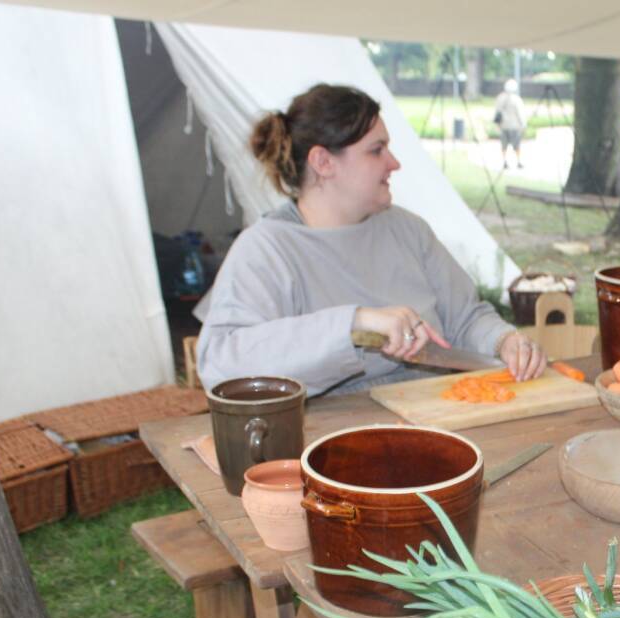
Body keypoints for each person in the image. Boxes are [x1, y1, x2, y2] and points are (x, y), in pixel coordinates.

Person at [196, 84, 546, 396]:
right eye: (377, 150)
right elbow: (221, 364)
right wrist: (354, 323)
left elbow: (465, 317)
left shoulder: (407, 231)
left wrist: (504, 341)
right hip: (327, 435)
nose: (394, 163)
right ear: (323, 162)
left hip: (432, 413)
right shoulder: (266, 249)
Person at [494, 79, 527, 169]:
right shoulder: (516, 99)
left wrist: (497, 125)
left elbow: (497, 112)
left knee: (504, 145)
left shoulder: (500, 98)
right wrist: (523, 124)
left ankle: (505, 161)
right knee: (516, 145)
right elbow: (520, 113)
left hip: (503, 125)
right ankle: (518, 161)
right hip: (514, 126)